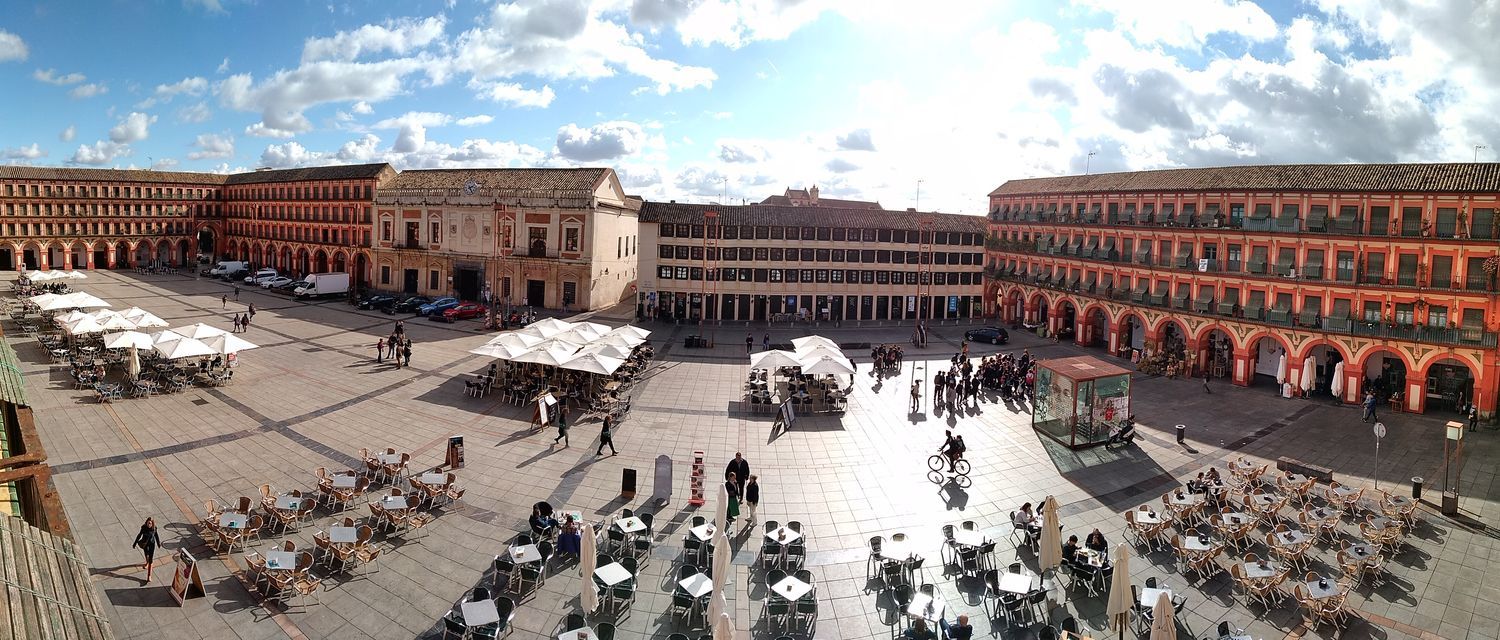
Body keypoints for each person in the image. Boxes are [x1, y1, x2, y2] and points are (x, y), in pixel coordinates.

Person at [131, 517, 161, 582]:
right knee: (146, 555)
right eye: (148, 523)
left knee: (151, 559)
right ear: (146, 522)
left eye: (150, 523)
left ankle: (149, 576)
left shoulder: (154, 528)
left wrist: (158, 543)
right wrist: (135, 543)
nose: (149, 524)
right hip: (145, 544)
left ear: (152, 523)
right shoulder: (143, 528)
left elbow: (156, 535)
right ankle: (147, 563)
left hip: (152, 544)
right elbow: (139, 535)